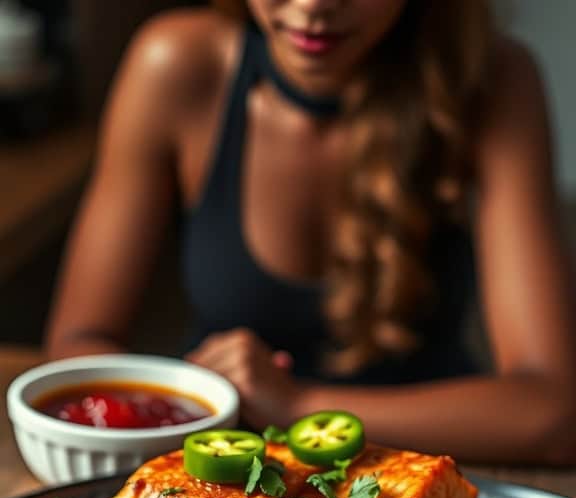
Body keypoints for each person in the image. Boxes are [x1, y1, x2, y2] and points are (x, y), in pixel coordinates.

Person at [44, 0, 576, 464]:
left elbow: (554, 414)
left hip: (426, 467)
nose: (313, 5)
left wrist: (299, 406)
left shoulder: (492, 80)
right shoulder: (176, 63)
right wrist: (190, 399)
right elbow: (76, 346)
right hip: (226, 461)